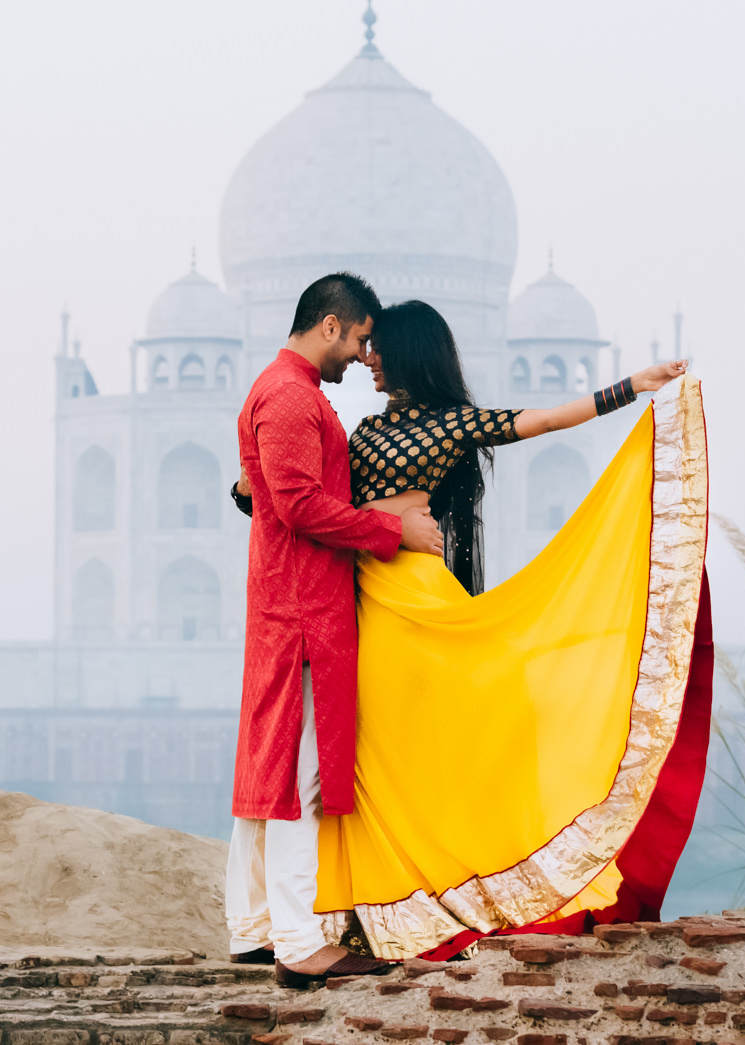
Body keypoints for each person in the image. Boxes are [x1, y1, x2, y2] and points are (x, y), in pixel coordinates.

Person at [236, 299, 711, 963]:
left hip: (407, 603)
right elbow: (315, 501)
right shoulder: (363, 433)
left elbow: (543, 420)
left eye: (378, 349)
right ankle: (367, 909)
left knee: (406, 751)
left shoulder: (433, 426)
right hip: (364, 604)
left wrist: (631, 387)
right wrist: (274, 486)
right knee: (377, 758)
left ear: (405, 353)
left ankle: (410, 894)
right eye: (363, 345)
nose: (366, 359)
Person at [225, 272, 446, 989]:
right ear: (329, 325)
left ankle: (252, 924)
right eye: (356, 338)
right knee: (297, 774)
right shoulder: (291, 397)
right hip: (302, 612)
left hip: (285, 605)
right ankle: (298, 940)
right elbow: (296, 507)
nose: (359, 355)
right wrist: (395, 530)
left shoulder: (282, 390)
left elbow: (262, 492)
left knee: (271, 764)